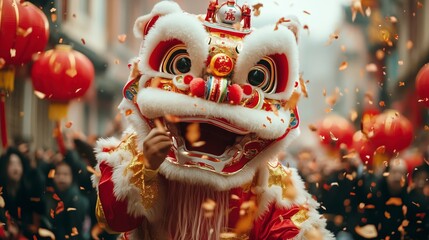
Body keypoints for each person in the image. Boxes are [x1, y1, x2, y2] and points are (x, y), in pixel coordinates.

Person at [92, 1, 333, 239]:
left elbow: (292, 230)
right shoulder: (134, 151)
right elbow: (113, 221)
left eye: (258, 77)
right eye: (183, 64)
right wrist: (146, 167)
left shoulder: (268, 181)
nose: (216, 92)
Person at [0, 147, 45, 239]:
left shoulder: (30, 189)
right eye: (11, 164)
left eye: (18, 164)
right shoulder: (2, 191)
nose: (16, 168)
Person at [45, 161, 89, 240]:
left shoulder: (76, 201)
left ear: (72, 177)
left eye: (65, 174)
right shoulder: (51, 197)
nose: (61, 177)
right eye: (58, 174)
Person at [405, 163, 429, 239]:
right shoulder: (408, 194)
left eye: (424, 178)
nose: (421, 181)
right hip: (410, 230)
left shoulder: (426, 196)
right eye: (419, 178)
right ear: (414, 179)